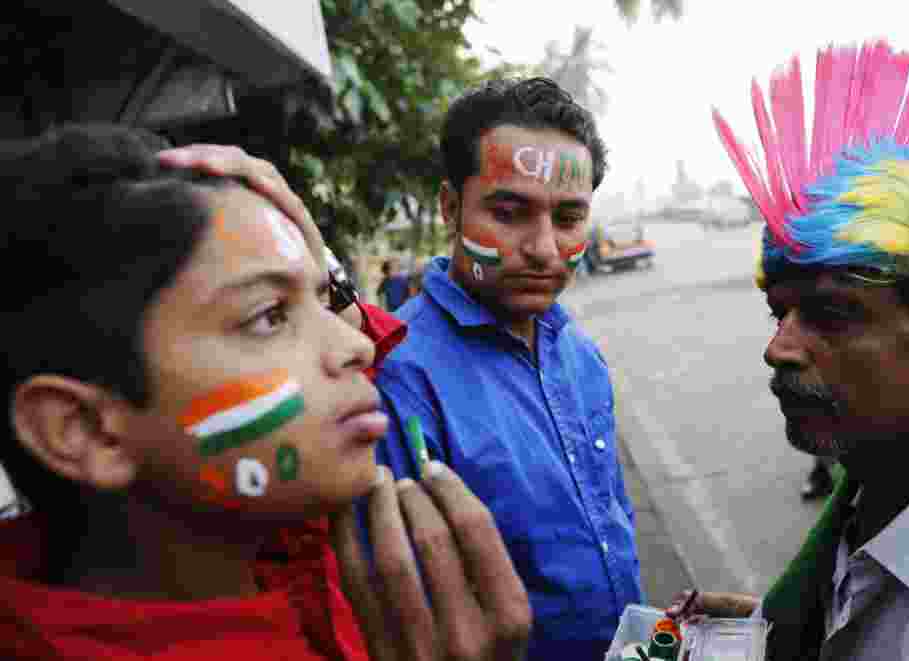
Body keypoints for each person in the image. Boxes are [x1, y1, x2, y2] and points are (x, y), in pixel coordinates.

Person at [0, 125, 531, 660]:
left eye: (321, 299)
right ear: (85, 430)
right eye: (269, 316)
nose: (357, 347)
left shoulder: (271, 539)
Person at [668, 41, 909, 659]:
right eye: (780, 312)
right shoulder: (884, 478)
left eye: (832, 314)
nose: (777, 349)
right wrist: (779, 631)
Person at [372, 77, 642, 660]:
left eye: (569, 218)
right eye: (509, 211)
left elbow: (610, 523)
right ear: (450, 206)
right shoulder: (397, 378)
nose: (544, 248)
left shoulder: (579, 354)